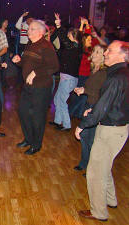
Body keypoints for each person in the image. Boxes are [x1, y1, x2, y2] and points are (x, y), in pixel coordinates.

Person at [75, 40, 129, 222]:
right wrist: (96, 109)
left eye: (110, 51)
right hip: (120, 128)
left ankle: (98, 212)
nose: (106, 53)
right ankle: (110, 200)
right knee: (105, 165)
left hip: (110, 130)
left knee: (95, 171)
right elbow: (112, 101)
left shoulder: (115, 78)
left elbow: (104, 107)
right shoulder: (122, 74)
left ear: (122, 55)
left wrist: (83, 124)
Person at [12, 20, 59, 155]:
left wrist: (36, 72)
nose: (28, 31)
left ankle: (36, 144)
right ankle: (28, 139)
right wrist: (19, 61)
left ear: (40, 32)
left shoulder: (46, 46)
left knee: (37, 117)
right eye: (29, 28)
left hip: (41, 87)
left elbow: (54, 66)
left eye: (32, 29)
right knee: (23, 112)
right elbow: (27, 64)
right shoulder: (30, 44)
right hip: (28, 87)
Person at [73, 45, 107, 172]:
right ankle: (84, 163)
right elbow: (92, 89)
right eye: (94, 51)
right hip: (89, 104)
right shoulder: (95, 70)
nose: (94, 54)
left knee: (90, 139)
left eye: (98, 52)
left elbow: (102, 94)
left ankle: (91, 168)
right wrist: (83, 90)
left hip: (95, 107)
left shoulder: (104, 73)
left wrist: (84, 90)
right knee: (85, 137)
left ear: (104, 56)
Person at [49, 13, 81, 131]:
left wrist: (59, 26)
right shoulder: (72, 47)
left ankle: (67, 125)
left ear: (72, 35)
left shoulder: (75, 46)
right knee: (58, 99)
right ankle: (58, 121)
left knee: (61, 101)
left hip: (69, 79)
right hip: (66, 77)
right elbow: (60, 40)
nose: (66, 36)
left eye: (68, 35)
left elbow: (63, 39)